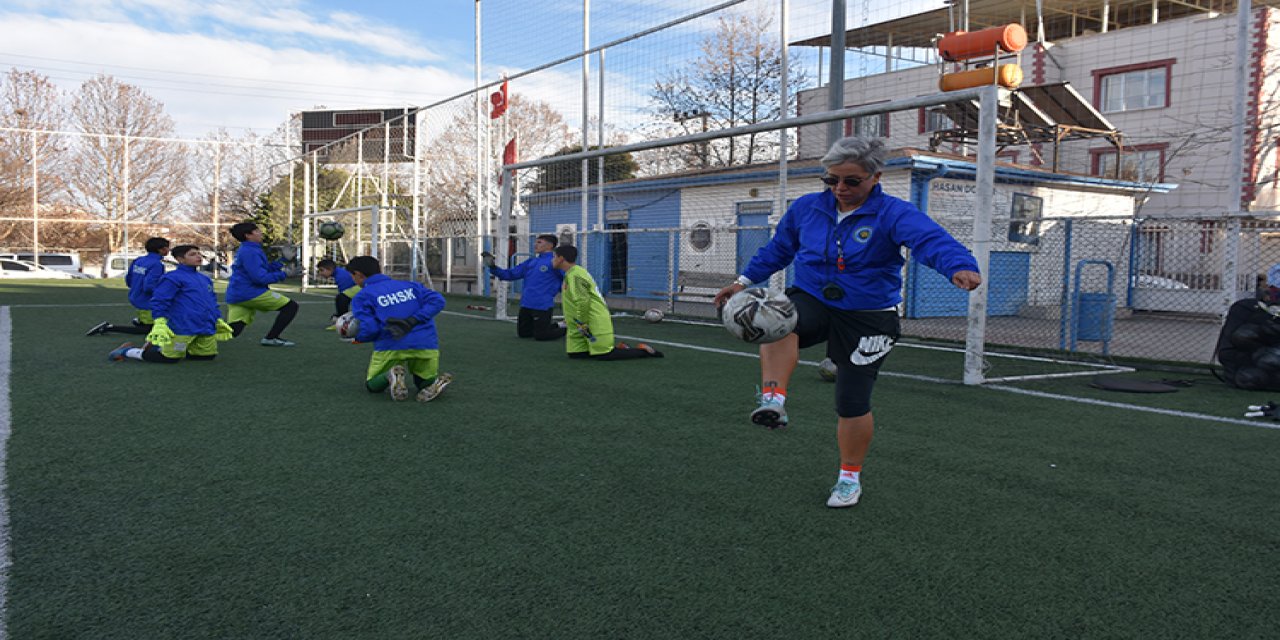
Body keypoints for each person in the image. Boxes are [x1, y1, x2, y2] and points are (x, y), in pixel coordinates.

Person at [712, 136, 981, 508]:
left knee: (851, 401)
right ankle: (773, 400)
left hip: (868, 315)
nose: (840, 188)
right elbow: (778, 249)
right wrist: (742, 282)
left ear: (875, 177)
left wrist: (959, 266)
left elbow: (930, 240)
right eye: (832, 180)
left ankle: (848, 478)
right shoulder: (807, 209)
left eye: (851, 181)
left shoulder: (893, 213)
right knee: (774, 315)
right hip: (814, 298)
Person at [347, 255, 453, 402]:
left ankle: (390, 375)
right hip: (425, 343)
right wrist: (414, 320)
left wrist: (359, 338)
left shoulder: (363, 296)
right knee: (423, 380)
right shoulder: (411, 286)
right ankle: (434, 384)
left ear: (358, 274)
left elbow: (370, 328)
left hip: (391, 344)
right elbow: (438, 300)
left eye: (352, 276)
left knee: (372, 385)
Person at [108, 245, 233, 363]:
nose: (198, 256)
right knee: (169, 359)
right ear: (180, 259)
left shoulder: (204, 278)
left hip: (205, 326)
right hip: (183, 326)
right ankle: (127, 351)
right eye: (193, 254)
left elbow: (211, 300)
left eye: (199, 254)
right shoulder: (172, 278)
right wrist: (160, 321)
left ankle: (163, 347)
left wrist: (217, 319)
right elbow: (160, 300)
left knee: (206, 357)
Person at [553, 245, 663, 360]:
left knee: (604, 355)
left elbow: (583, 301)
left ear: (561, 258)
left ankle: (644, 351)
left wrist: (582, 322)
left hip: (591, 321)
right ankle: (623, 348)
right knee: (576, 355)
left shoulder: (576, 275)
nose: (552, 260)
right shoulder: (571, 273)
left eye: (554, 257)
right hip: (577, 324)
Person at [225, 221, 299, 346]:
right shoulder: (251, 252)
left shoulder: (248, 249)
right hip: (250, 293)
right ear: (248, 235)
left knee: (233, 330)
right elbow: (260, 278)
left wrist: (283, 260)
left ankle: (197, 335)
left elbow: (263, 269)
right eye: (257, 230)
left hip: (238, 293)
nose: (260, 232)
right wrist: (285, 274)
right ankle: (271, 338)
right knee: (291, 306)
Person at [483, 234, 566, 341]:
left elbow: (567, 279)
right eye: (536, 242)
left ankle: (570, 329)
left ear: (550, 246)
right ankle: (558, 325)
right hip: (526, 304)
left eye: (539, 242)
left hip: (542, 305)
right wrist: (492, 266)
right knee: (524, 334)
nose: (535, 244)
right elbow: (510, 274)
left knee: (541, 336)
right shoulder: (531, 262)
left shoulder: (555, 262)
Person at [86, 237, 170, 337]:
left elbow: (128, 278)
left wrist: (136, 288)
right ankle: (109, 327)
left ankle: (139, 321)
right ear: (161, 249)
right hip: (147, 302)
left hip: (136, 296)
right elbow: (149, 286)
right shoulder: (157, 264)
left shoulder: (139, 260)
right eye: (167, 248)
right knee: (148, 330)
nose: (169, 250)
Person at [316, 258, 362, 325]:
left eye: (322, 270)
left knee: (341, 298)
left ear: (330, 269)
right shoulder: (339, 273)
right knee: (341, 298)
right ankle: (342, 318)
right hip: (361, 288)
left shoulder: (341, 276)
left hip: (365, 288)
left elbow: (344, 295)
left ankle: (343, 321)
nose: (320, 273)